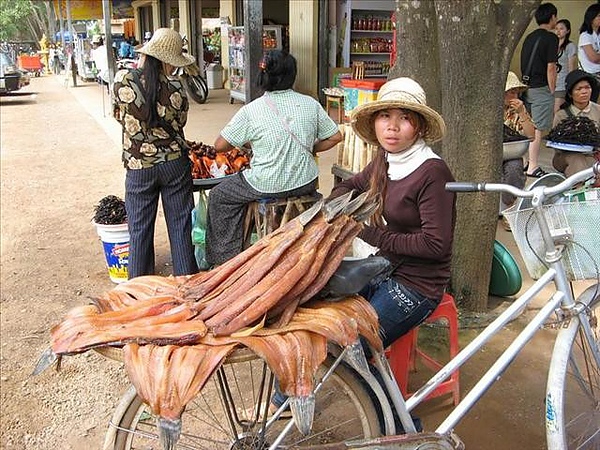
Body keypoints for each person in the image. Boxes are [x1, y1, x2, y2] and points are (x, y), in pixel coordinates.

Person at [329, 77, 456, 349]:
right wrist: (335, 207)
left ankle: (377, 393)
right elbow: (351, 185)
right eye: (385, 116)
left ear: (419, 127)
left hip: (418, 284)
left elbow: (435, 244)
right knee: (326, 319)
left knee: (352, 346)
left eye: (405, 118)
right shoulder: (385, 159)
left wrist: (370, 234)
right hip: (386, 265)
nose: (392, 126)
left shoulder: (432, 172)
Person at [205, 50, 343, 267]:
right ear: (292, 76)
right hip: (304, 182)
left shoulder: (252, 110)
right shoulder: (310, 103)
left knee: (219, 196)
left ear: (263, 77)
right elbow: (336, 136)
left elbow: (220, 145)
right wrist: (311, 148)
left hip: (266, 184)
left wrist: (249, 143)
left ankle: (223, 260)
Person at [113, 28, 198, 279]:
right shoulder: (176, 89)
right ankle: (186, 285)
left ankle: (138, 291)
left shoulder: (123, 80)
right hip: (174, 164)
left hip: (139, 167)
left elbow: (120, 116)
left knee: (139, 230)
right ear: (167, 60)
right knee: (180, 226)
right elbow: (180, 123)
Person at [520, 2, 559, 178]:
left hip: (527, 86)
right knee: (537, 129)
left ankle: (527, 162)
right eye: (555, 17)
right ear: (552, 17)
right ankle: (533, 166)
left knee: (527, 126)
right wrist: (552, 89)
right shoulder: (551, 38)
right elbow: (551, 67)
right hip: (541, 87)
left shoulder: (529, 37)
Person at [501, 72, 535, 231]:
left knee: (514, 167)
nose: (513, 95)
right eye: (510, 92)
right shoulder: (485, 109)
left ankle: (510, 207)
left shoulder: (517, 111)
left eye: (515, 92)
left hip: (509, 152)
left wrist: (522, 113)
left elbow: (531, 135)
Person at [551, 69, 600, 177]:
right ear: (570, 94)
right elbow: (555, 144)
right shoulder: (561, 115)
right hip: (564, 156)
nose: (584, 91)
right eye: (579, 89)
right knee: (577, 160)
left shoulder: (598, 110)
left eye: (587, 87)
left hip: (592, 154)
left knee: (591, 165)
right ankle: (578, 189)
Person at [577, 3, 600, 100]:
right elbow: (593, 58)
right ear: (591, 18)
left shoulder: (598, 35)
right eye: (599, 16)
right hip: (589, 76)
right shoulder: (585, 35)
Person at [554, 19, 577, 112]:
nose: (558, 31)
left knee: (557, 111)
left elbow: (571, 67)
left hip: (562, 84)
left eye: (561, 28)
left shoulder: (570, 46)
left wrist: (570, 85)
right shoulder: (553, 45)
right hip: (552, 84)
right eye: (556, 28)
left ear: (568, 31)